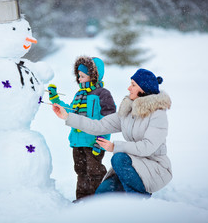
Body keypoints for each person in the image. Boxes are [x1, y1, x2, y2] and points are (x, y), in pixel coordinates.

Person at [52, 68, 172, 197]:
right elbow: (99, 126)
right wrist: (67, 117)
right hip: (132, 165)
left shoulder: (158, 115)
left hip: (154, 168)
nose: (128, 88)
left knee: (119, 158)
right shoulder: (128, 112)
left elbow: (147, 147)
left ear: (143, 90)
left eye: (133, 85)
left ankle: (139, 201)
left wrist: (115, 147)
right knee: (101, 195)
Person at [48, 56, 116, 201]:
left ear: (93, 76)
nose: (79, 79)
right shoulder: (79, 94)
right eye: (79, 76)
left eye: (83, 76)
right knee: (81, 171)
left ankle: (99, 200)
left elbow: (110, 121)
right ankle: (82, 199)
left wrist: (102, 141)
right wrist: (56, 101)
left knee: (94, 171)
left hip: (93, 142)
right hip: (78, 141)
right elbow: (71, 112)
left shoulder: (103, 94)